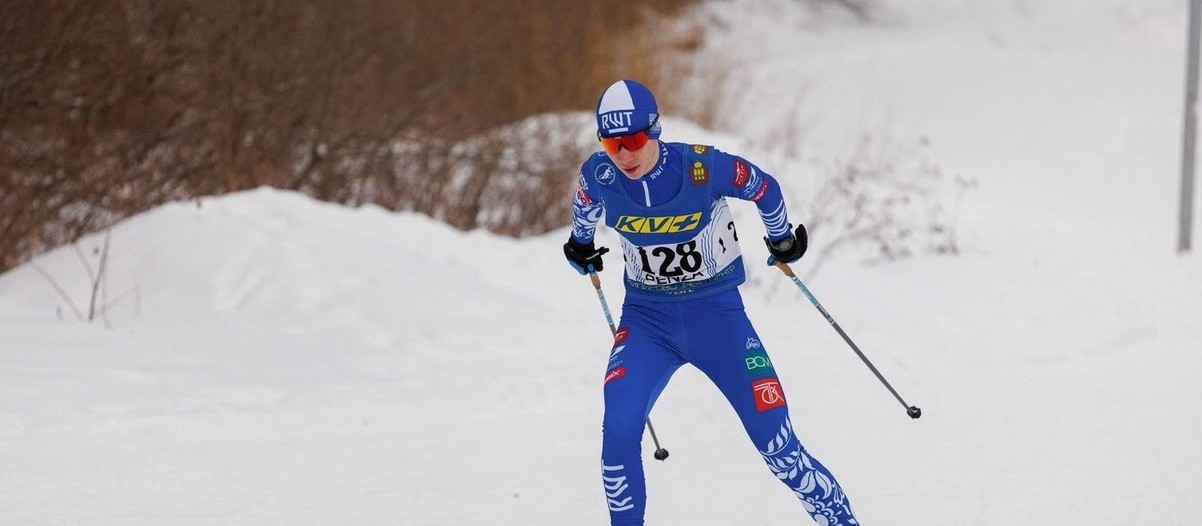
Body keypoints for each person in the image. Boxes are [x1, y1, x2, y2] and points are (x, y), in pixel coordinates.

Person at [563, 79, 861, 526]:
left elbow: (765, 187)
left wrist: (781, 239)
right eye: (611, 142)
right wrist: (580, 246)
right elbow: (584, 208)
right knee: (619, 431)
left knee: (779, 449)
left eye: (633, 140)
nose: (624, 154)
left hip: (718, 321)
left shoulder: (701, 167)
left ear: (655, 130)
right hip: (647, 324)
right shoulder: (599, 175)